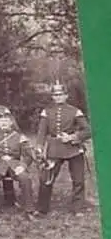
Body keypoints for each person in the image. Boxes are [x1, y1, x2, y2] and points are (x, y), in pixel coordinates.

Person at [35, 81, 92, 216]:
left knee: (78, 180)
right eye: (55, 94)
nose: (58, 97)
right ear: (52, 97)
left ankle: (77, 208)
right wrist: (39, 147)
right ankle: (42, 209)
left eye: (61, 94)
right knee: (46, 178)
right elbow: (41, 132)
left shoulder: (75, 111)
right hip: (54, 148)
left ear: (66, 96)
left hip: (73, 148)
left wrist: (73, 137)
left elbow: (88, 130)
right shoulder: (46, 111)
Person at [0, 112, 36, 219]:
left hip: (15, 164)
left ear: (11, 123)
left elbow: (28, 155)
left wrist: (23, 166)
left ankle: (29, 210)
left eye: (6, 121)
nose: (4, 123)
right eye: (1, 121)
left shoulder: (20, 137)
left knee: (25, 178)